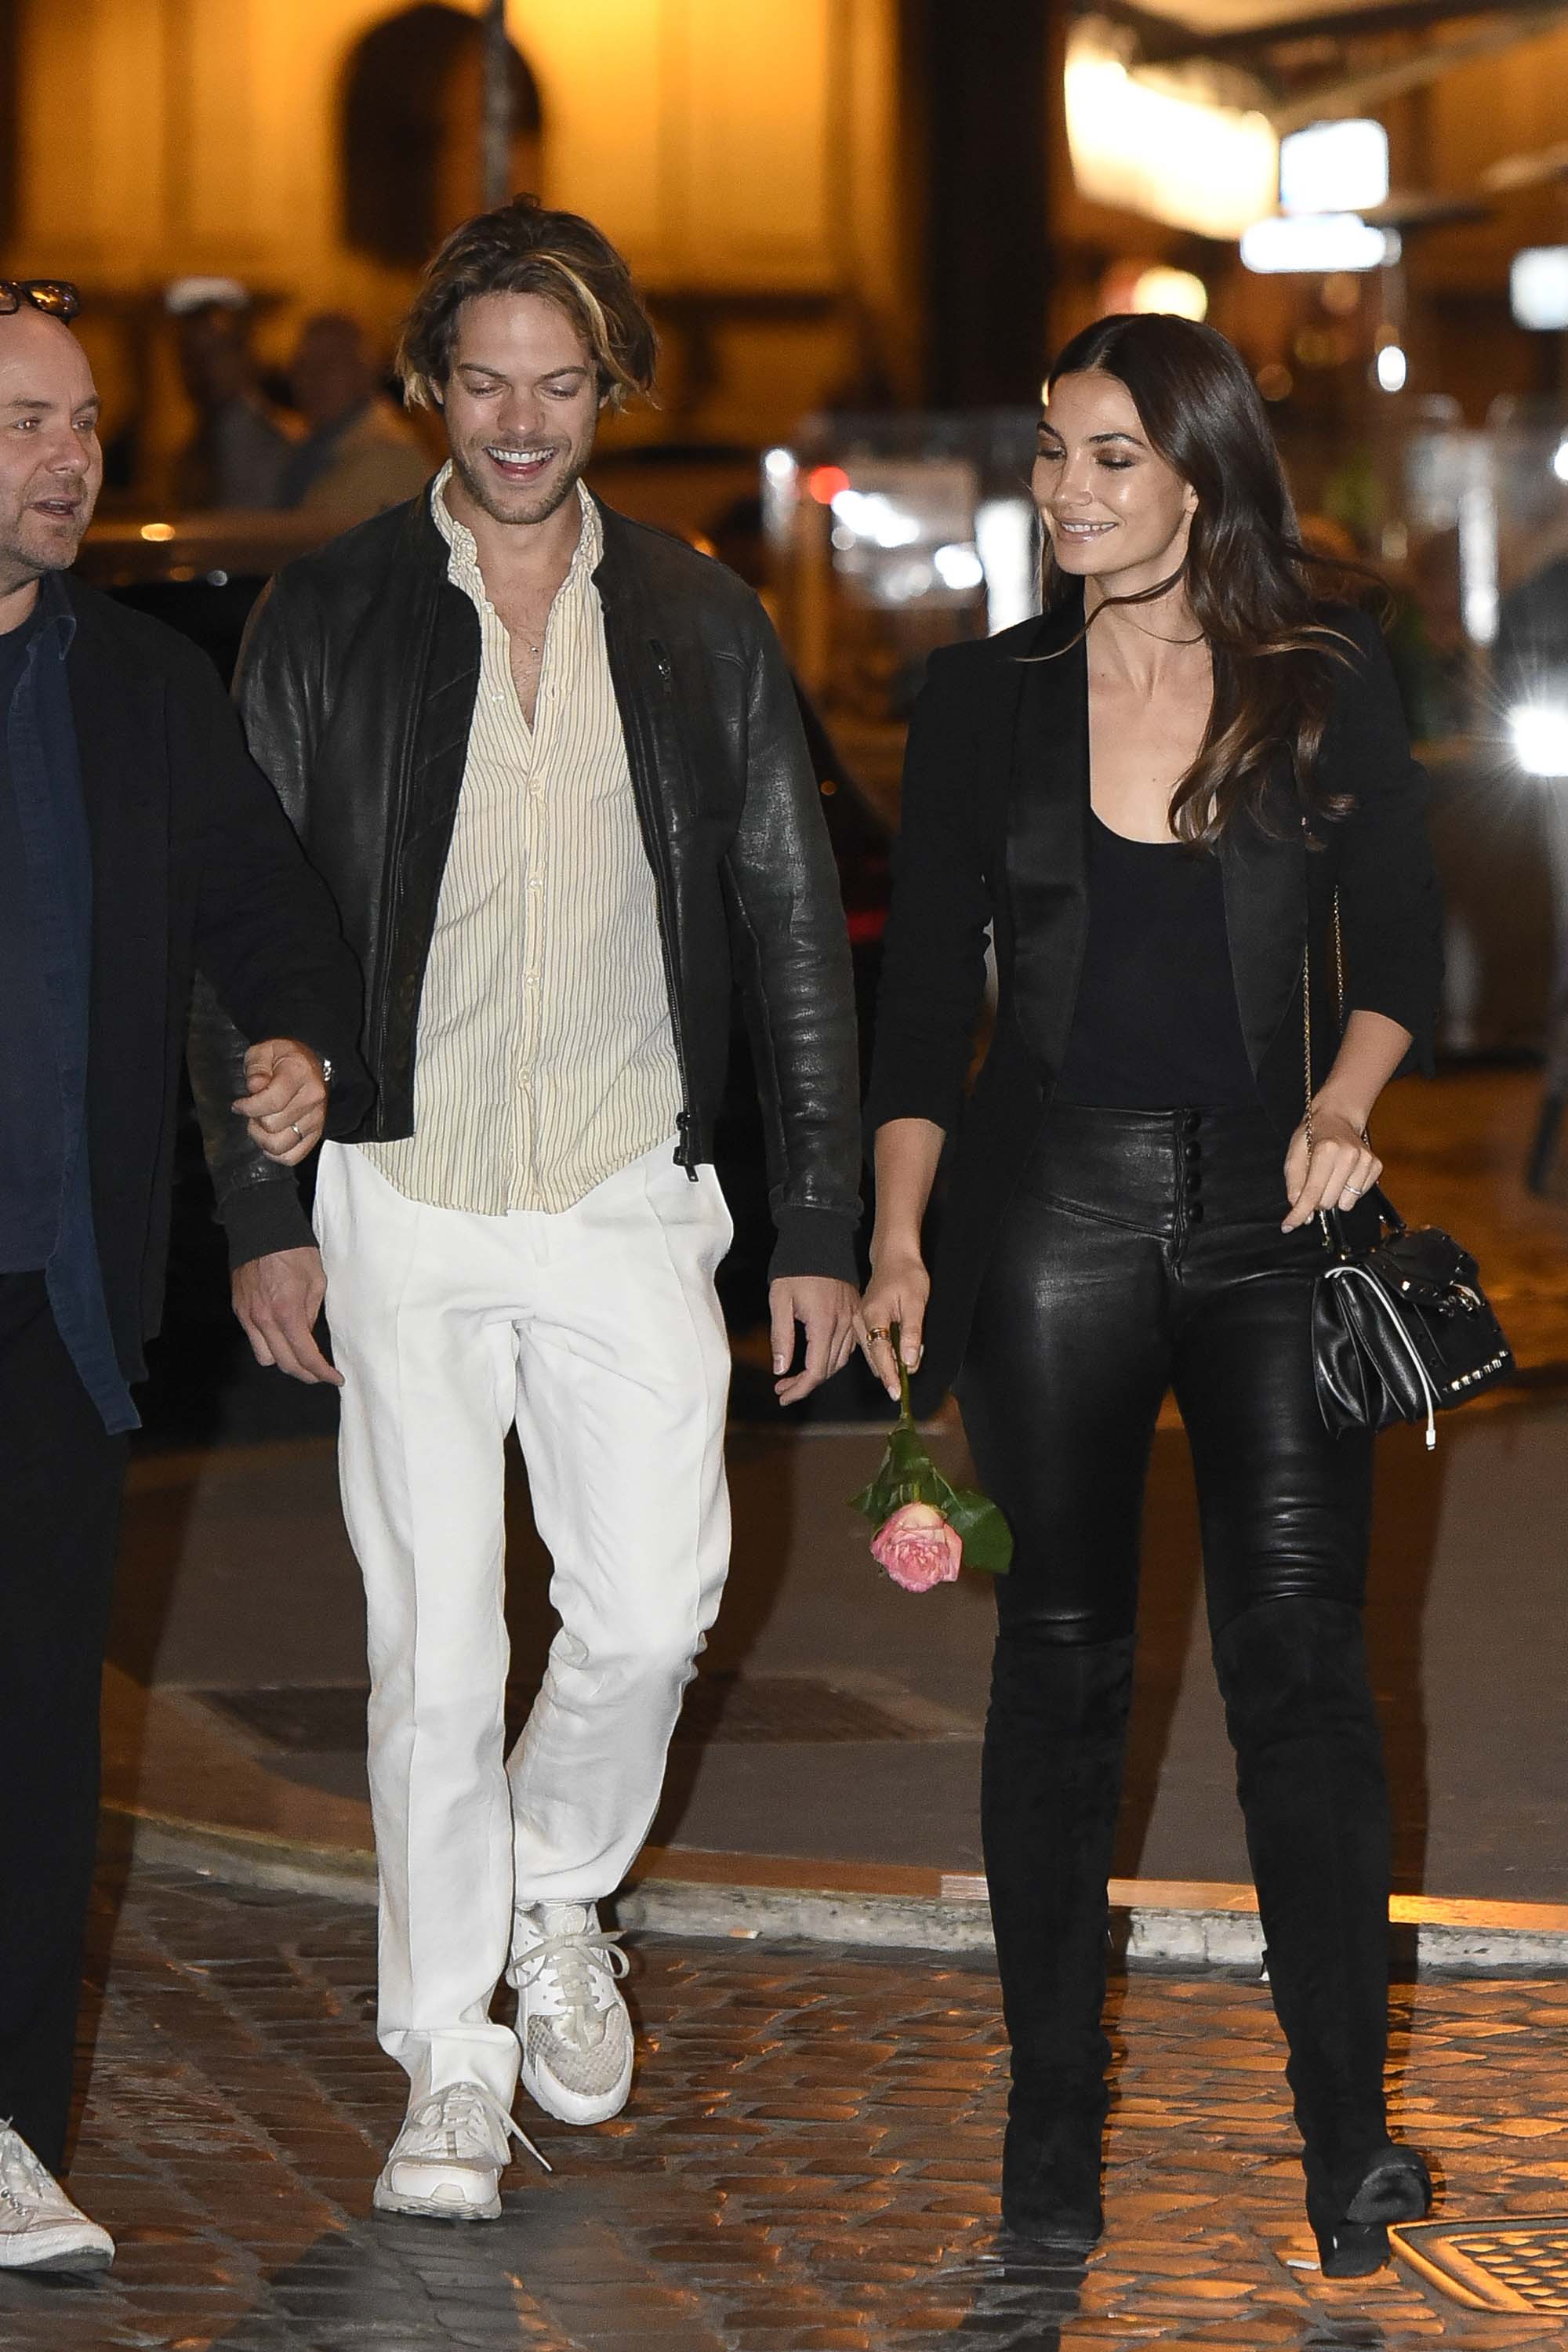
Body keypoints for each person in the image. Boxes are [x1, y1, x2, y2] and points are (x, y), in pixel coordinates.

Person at [188, 197, 861, 2223]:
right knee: (433, 1649)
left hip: (626, 1187)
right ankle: (446, 2063)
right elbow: (238, 918)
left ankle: (559, 1893)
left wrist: (818, 1217)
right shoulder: (327, 616)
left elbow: (790, 922)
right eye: (484, 382)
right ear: (430, 385)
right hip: (402, 1186)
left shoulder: (699, 619)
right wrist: (263, 1203)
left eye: (557, 385)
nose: (517, 421)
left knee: (651, 1611)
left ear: (607, 394)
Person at [860, 314, 1443, 2278]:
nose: (1065, 491)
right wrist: (896, 1238)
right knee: (1060, 1673)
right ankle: (1048, 2127)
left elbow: (1402, 949)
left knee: (1303, 1669)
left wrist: (1345, 1105)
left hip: (1275, 1226)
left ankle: (1346, 2133)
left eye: (1108, 456)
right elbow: (921, 1006)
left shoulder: (1319, 677)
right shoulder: (984, 700)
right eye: (1050, 451)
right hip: (1050, 1221)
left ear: (1200, 471)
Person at [0, 280, 369, 2274]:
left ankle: (5, 2137)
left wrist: (300, 1042)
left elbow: (267, 914)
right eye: (24, 424)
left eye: (82, 426)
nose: (68, 460)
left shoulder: (140, 688)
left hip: (49, 1308)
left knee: (34, 1740)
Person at [274, 311, 430, 523]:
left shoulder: (387, 453)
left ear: (364, 372)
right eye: (302, 366)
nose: (312, 378)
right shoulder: (313, 447)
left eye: (328, 365)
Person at [170, 288, 292, 510]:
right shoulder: (204, 435)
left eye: (216, 353)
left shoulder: (264, 444)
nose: (203, 367)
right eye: (192, 356)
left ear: (246, 356)